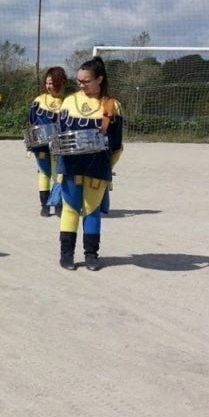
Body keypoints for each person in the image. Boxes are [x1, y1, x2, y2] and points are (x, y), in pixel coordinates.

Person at [55, 56, 124, 271]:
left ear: (100, 79)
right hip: (70, 166)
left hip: (97, 167)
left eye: (86, 81)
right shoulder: (68, 102)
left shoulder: (112, 106)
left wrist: (107, 169)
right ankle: (66, 255)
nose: (81, 85)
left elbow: (117, 145)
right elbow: (59, 136)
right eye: (79, 81)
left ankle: (91, 255)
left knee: (91, 210)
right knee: (70, 209)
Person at [28, 66, 67, 217]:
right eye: (47, 83)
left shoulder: (67, 102)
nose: (49, 86)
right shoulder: (38, 101)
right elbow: (31, 121)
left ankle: (58, 204)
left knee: (58, 174)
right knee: (43, 174)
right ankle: (44, 206)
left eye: (52, 83)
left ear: (61, 82)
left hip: (59, 145)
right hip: (41, 145)